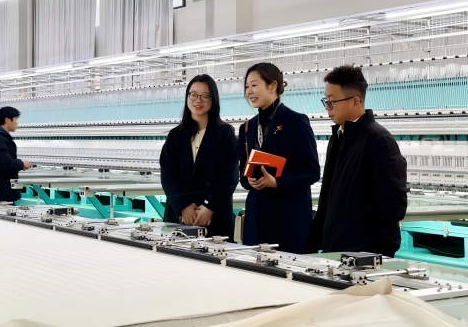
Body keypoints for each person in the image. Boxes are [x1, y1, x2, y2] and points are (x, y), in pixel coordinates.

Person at [306, 65, 407, 257]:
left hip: (364, 254)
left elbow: (392, 202)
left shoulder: (379, 140)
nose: (327, 108)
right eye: (326, 101)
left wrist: (381, 254)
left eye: (332, 101)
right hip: (335, 247)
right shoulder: (339, 137)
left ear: (355, 101)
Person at [237, 63, 320, 253]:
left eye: (254, 85)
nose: (249, 91)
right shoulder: (247, 128)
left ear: (273, 86)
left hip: (288, 218)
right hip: (256, 219)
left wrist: (277, 182)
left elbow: (312, 172)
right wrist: (249, 180)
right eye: (247, 86)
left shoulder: (296, 122)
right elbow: (243, 174)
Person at [160, 74, 239, 239]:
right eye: (194, 95)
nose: (198, 100)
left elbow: (229, 176)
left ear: (213, 99)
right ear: (187, 97)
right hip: (180, 216)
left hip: (214, 215)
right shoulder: (175, 136)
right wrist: (184, 206)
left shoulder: (225, 134)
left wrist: (209, 207)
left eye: (205, 96)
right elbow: (168, 175)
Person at [0, 106, 32, 202]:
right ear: (7, 120)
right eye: (15, 119)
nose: (17, 123)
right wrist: (22, 164)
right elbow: (5, 164)